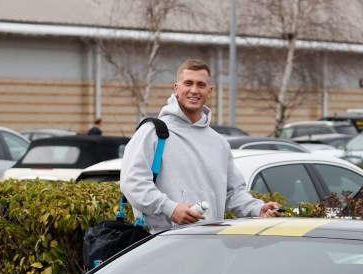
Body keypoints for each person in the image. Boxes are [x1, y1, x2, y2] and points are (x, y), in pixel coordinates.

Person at [120, 59, 283, 232]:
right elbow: (132, 182)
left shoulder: (219, 143)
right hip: (163, 245)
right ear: (177, 88)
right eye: (188, 83)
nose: (194, 90)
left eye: (201, 85)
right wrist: (171, 209)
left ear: (209, 91)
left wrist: (258, 208)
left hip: (208, 243)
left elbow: (232, 193)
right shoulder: (152, 132)